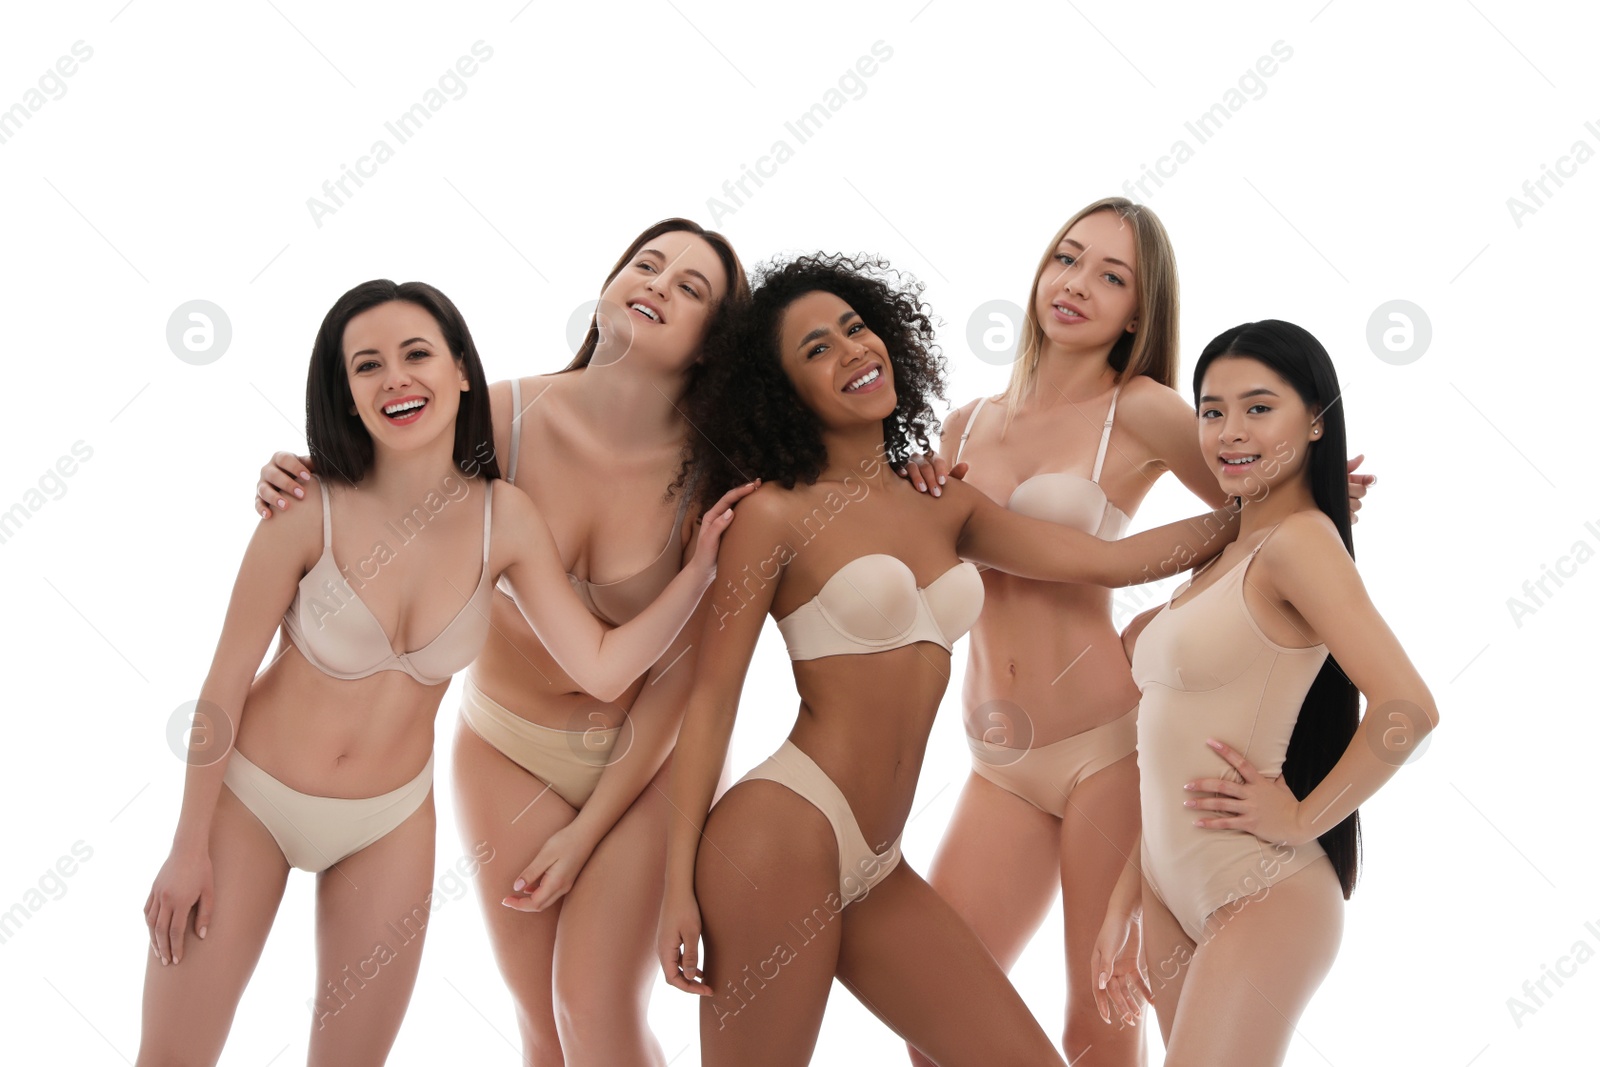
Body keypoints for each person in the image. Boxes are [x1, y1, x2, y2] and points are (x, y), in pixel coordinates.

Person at [141, 278, 750, 1067]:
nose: (395, 377)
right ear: (345, 393)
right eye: (367, 365)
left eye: (416, 353)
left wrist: (698, 573)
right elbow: (221, 689)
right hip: (249, 802)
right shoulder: (304, 507)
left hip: (387, 821)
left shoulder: (505, 519)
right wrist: (187, 846)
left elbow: (603, 667)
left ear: (461, 371)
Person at [654, 252, 1244, 1067]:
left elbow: (1108, 560)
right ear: (782, 391)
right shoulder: (773, 516)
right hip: (779, 836)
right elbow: (712, 700)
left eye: (856, 328)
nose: (852, 350)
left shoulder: (943, 500)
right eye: (816, 349)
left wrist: (1274, 506)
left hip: (877, 860)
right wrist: (676, 882)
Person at [899, 198, 1373, 1066]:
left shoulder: (1145, 407)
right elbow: (937, 574)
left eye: (1112, 276)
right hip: (995, 757)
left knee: (1100, 1028)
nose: (1078, 285)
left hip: (1103, 750)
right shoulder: (968, 419)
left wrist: (1297, 493)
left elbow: (1251, 519)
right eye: (1067, 259)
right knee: (934, 1026)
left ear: (1138, 311)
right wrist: (915, 497)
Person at [1089, 319, 1438, 1066]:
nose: (1228, 431)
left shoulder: (1300, 545)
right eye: (1212, 411)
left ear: (1314, 420)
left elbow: (1409, 707)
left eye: (1258, 407)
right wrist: (1125, 902)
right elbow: (1171, 759)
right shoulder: (1222, 559)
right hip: (1169, 895)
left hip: (1261, 889)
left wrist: (1304, 816)